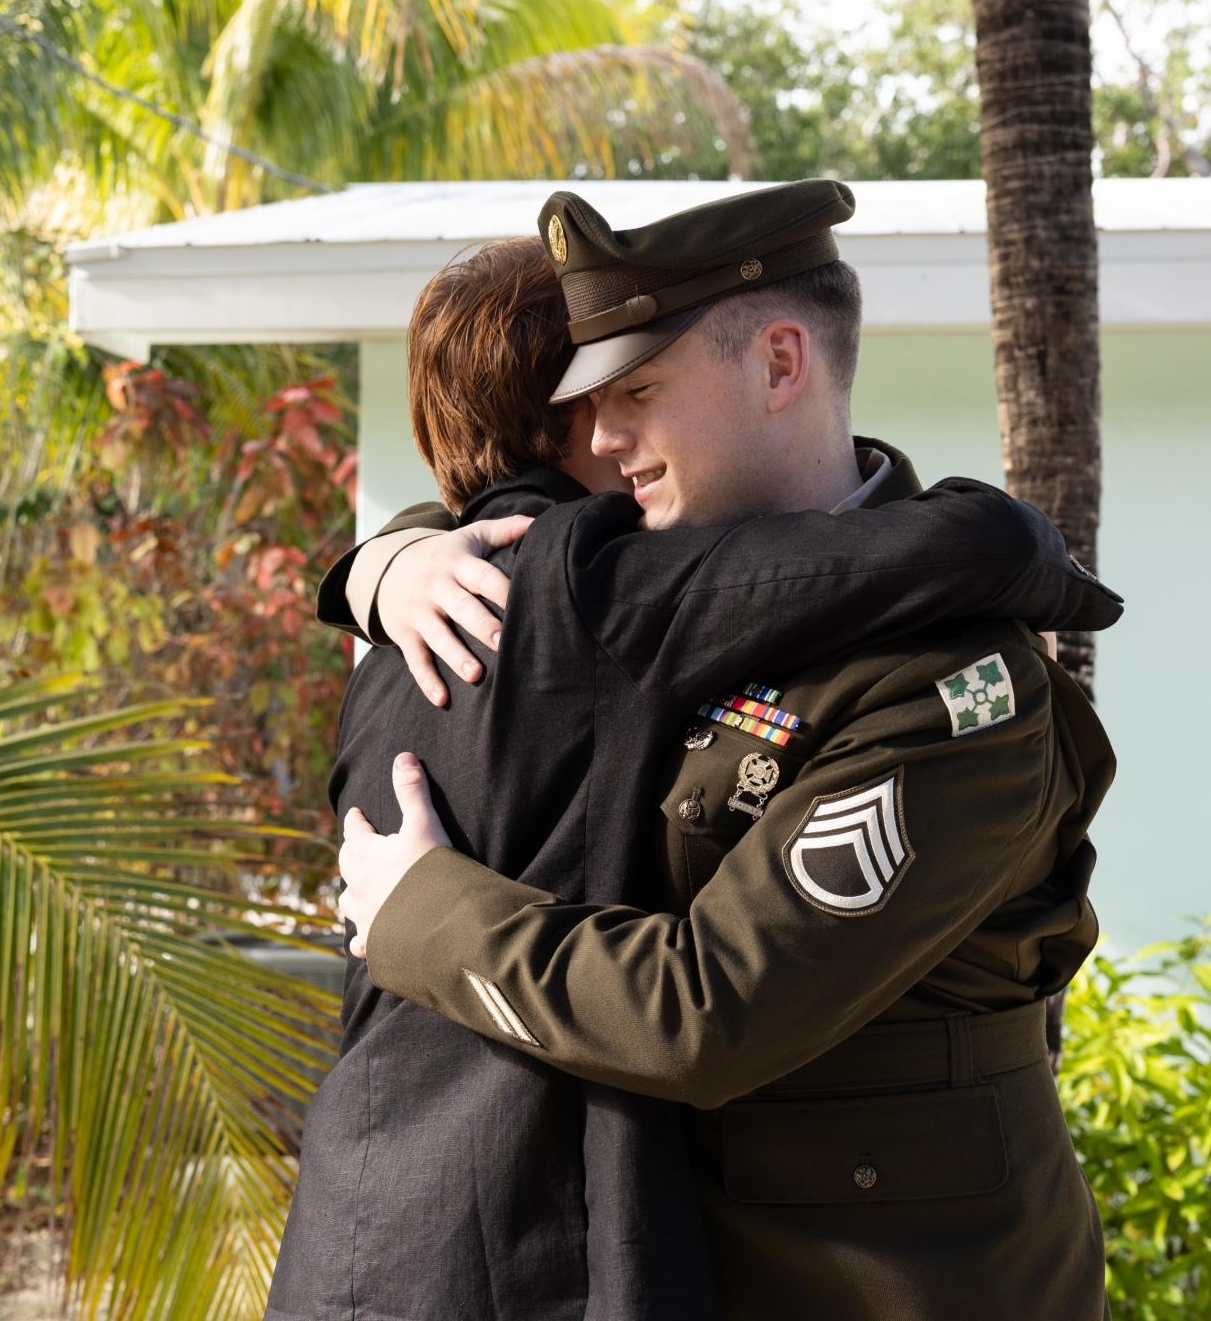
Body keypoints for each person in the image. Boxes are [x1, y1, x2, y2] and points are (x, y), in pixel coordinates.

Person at [329, 183, 1120, 1320]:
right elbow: (531, 553)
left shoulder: (952, 682)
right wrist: (391, 558)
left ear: (781, 363)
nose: (602, 439)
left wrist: (424, 912)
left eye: (638, 391)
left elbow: (712, 1009)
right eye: (588, 403)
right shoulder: (654, 601)